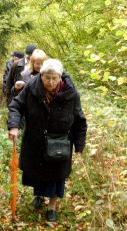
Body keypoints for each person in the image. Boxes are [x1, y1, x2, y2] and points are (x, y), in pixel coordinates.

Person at [8, 59, 87, 222]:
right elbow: (16, 105)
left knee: (57, 175)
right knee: (38, 170)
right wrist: (14, 126)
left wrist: (79, 145)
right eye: (47, 78)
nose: (50, 82)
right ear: (41, 75)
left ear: (60, 77)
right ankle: (39, 195)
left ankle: (52, 206)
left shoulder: (71, 93)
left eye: (54, 78)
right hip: (36, 138)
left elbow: (80, 119)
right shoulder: (32, 87)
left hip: (60, 141)